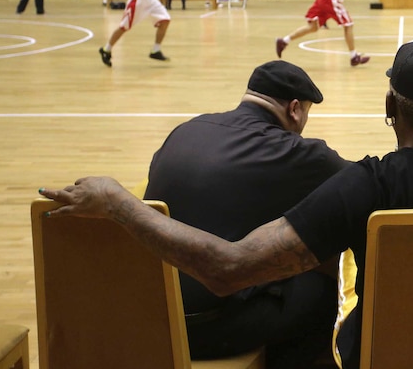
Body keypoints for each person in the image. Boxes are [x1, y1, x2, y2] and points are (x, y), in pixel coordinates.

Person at [40, 37, 413, 369]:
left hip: (379, 354)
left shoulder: (366, 186)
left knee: (317, 280)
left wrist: (115, 200)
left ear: (389, 107)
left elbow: (228, 268)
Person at [144, 60, 349, 366]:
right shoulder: (299, 153)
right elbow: (363, 188)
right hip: (208, 328)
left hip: (150, 315)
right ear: (294, 109)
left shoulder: (185, 130)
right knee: (326, 291)